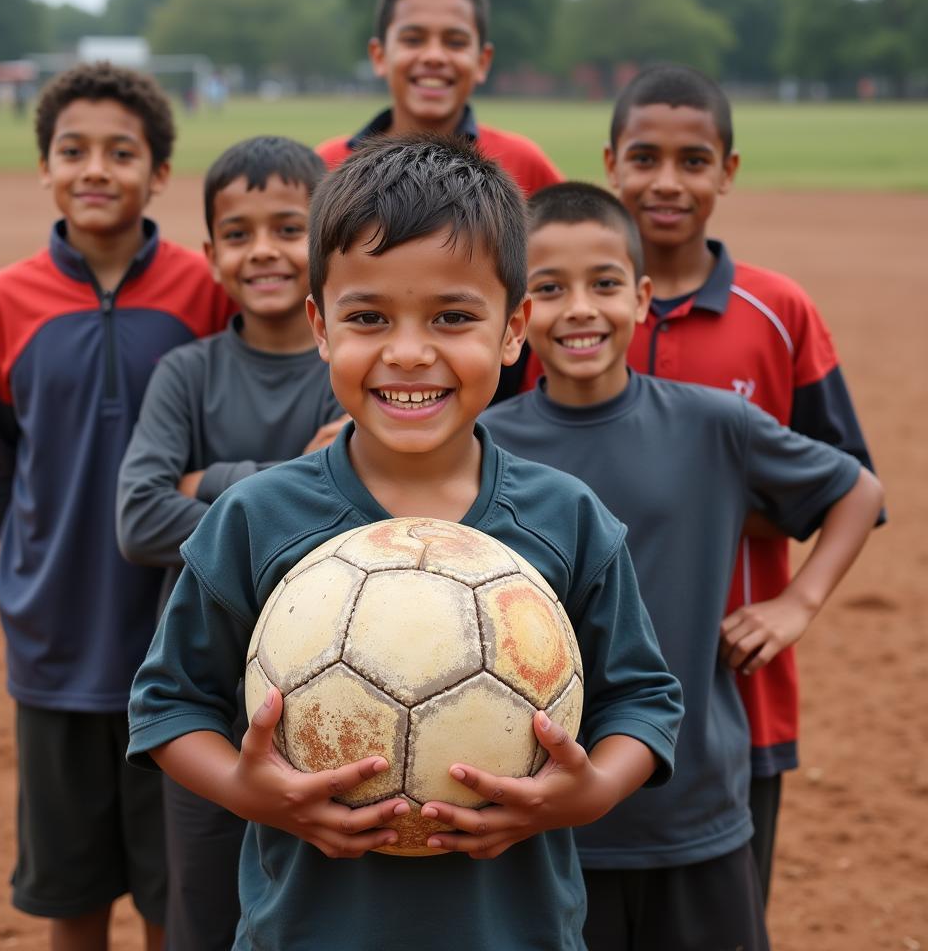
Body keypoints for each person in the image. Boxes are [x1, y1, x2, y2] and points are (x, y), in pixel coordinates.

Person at [127, 135, 684, 951]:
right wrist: (256, 793)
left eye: (454, 317)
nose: (410, 351)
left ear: (513, 328)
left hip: (512, 930)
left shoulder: (566, 518)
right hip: (310, 931)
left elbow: (643, 698)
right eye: (368, 317)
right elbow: (168, 705)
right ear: (321, 327)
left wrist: (590, 791)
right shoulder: (256, 517)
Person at [481, 182, 883, 951]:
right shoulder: (486, 444)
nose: (581, 310)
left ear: (641, 295)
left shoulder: (713, 424)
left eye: (604, 284)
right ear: (520, 314)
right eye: (550, 289)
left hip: (694, 801)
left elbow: (855, 489)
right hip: (545, 809)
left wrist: (797, 602)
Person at [0, 61, 231, 951]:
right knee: (70, 888)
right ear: (45, 167)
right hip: (58, 638)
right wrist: (44, 559)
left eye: (122, 151)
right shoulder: (3, 303)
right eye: (73, 150)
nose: (95, 169)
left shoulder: (203, 291)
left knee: (171, 889)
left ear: (158, 173)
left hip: (175, 634)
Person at [601, 63, 882, 903]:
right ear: (611, 161)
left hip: (734, 682)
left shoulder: (777, 310)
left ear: (728, 170)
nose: (666, 181)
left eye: (694, 160)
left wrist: (796, 602)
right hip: (574, 670)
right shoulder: (568, 314)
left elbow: (849, 483)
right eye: (644, 157)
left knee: (724, 909)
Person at [116, 135, 346, 951]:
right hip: (211, 707)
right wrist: (296, 476)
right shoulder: (187, 373)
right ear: (210, 253)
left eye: (288, 228)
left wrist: (204, 481)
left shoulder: (350, 367)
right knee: (205, 916)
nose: (265, 252)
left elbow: (366, 520)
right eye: (239, 234)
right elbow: (141, 520)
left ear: (324, 243)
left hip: (343, 700)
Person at [315, 0, 563, 402]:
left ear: (482, 60)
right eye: (413, 38)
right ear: (379, 54)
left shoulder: (522, 164)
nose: (433, 55)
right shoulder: (327, 166)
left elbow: (561, 286)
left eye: (454, 40)